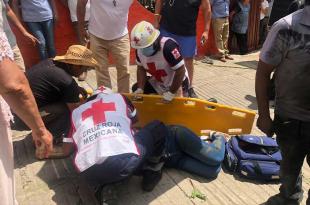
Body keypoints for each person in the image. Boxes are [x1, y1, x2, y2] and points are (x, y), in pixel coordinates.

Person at [51, 86, 167, 204]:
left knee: (104, 159)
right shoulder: (120, 98)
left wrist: (47, 151)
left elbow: (66, 150)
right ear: (110, 95)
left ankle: (105, 185)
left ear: (91, 99)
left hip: (87, 173)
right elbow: (136, 120)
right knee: (157, 127)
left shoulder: (76, 113)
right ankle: (152, 172)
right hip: (122, 164)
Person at [255, 1, 310, 204]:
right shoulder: (286, 27)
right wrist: (263, 115)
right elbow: (263, 72)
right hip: (290, 119)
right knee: (289, 168)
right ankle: (289, 196)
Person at [0, 31, 53, 204]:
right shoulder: (67, 82)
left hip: (18, 111)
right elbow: (13, 85)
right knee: (66, 111)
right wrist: (40, 130)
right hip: (20, 114)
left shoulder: (49, 65)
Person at [11, 45, 98, 149]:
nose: (84, 72)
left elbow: (54, 83)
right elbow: (76, 112)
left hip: (12, 111)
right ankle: (49, 139)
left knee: (65, 102)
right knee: (68, 110)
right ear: (77, 66)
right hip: (20, 119)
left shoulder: (50, 62)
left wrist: (76, 89)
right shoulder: (67, 82)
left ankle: (43, 131)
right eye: (85, 68)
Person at [154, 0, 212, 98]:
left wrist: (206, 30)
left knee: (188, 60)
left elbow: (207, 9)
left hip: (187, 33)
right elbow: (159, 1)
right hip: (166, 28)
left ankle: (189, 87)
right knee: (164, 58)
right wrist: (156, 20)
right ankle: (164, 85)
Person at [77, 0, 132, 93]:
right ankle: (106, 99)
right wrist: (81, 27)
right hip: (96, 36)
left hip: (121, 36)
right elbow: (81, 3)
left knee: (125, 70)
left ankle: (124, 100)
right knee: (101, 71)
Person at [130, 21, 191, 101]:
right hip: (159, 82)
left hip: (177, 83)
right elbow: (141, 68)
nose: (143, 50)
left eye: (147, 46)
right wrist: (140, 89)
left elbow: (180, 70)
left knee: (174, 108)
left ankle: (185, 94)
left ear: (155, 40)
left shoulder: (168, 47)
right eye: (141, 48)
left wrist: (171, 93)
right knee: (136, 89)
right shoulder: (140, 49)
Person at [1, 0, 39, 70]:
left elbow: (8, 10)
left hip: (11, 42)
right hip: (1, 52)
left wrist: (24, 32)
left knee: (22, 72)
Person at [60, 0, 90, 81]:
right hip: (76, 17)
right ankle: (83, 70)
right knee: (82, 44)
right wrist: (71, 5)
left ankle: (91, 65)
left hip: (93, 14)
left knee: (96, 42)